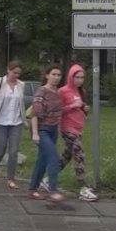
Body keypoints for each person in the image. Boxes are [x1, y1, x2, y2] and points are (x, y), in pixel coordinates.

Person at [57, 64, 98, 202]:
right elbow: (57, 110)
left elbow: (82, 111)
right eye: (77, 77)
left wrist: (85, 109)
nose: (80, 80)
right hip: (67, 128)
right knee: (79, 155)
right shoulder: (63, 91)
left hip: (78, 128)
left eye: (82, 77)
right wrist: (72, 106)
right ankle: (83, 188)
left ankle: (48, 178)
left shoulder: (80, 92)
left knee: (66, 156)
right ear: (71, 77)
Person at [0, 61, 26, 190]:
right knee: (0, 151)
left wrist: (24, 118)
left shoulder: (21, 85)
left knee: (13, 151)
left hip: (16, 122)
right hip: (1, 122)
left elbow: (21, 103)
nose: (16, 75)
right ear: (8, 70)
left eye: (18, 73)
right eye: (14, 72)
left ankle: (10, 179)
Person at [28, 64, 65, 202]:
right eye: (53, 74)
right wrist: (35, 133)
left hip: (53, 129)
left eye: (59, 75)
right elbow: (34, 114)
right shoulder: (41, 92)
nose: (56, 77)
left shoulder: (58, 93)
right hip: (41, 129)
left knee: (42, 160)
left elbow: (59, 113)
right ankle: (53, 189)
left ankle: (32, 189)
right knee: (53, 157)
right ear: (47, 76)